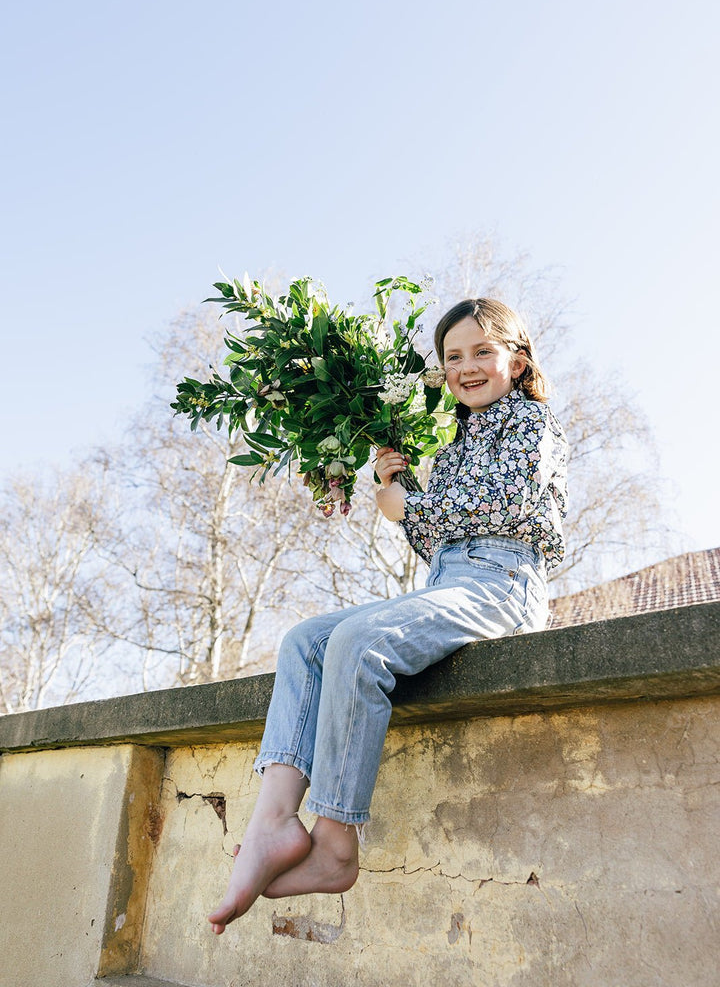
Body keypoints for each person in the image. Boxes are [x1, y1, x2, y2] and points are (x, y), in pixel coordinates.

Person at [208, 296, 568, 934]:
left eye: (483, 351)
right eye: (453, 357)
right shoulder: (458, 436)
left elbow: (509, 503)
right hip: (451, 578)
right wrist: (399, 485)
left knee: (359, 643)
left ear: (517, 359)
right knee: (305, 642)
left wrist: (413, 507)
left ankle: (335, 841)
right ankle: (273, 822)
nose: (467, 367)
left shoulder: (532, 423)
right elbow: (440, 537)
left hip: (505, 581)